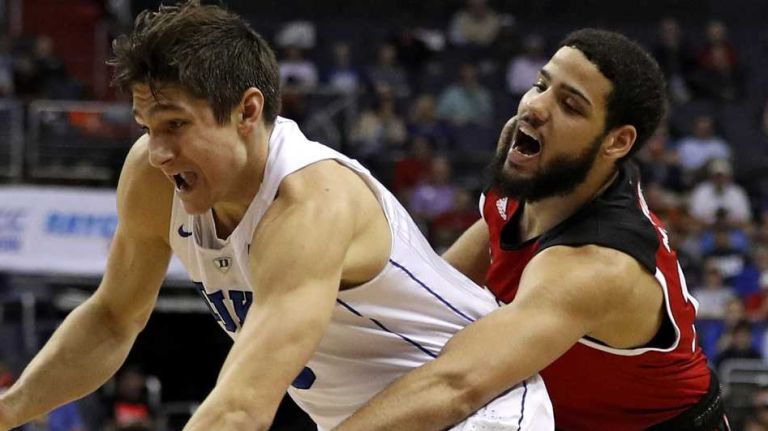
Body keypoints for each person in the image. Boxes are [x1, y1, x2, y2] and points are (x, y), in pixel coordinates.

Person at [0, 2, 553, 431]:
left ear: (247, 110)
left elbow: (242, 408)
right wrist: (10, 409)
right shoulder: (152, 175)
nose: (159, 150)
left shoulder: (311, 202)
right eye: (146, 126)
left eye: (175, 125)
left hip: (477, 407)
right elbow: (112, 319)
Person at [335, 29, 727, 431]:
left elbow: (454, 385)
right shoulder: (533, 173)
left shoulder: (597, 265)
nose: (535, 107)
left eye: (570, 106)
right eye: (541, 84)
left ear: (617, 141)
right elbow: (428, 297)